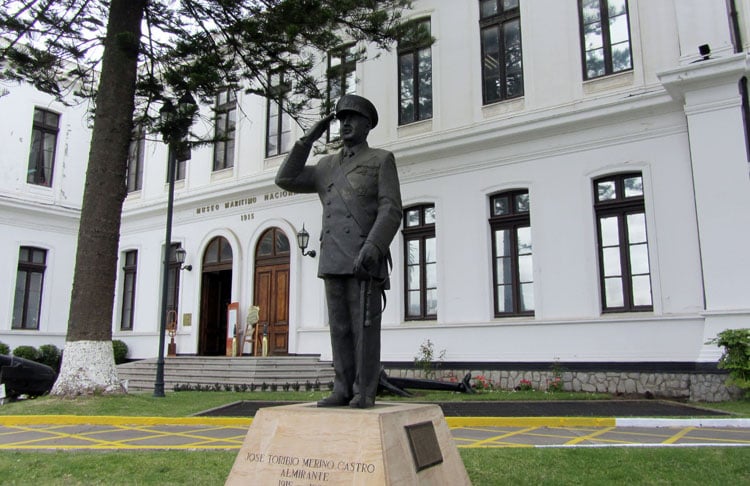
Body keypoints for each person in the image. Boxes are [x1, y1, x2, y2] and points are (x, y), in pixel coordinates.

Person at [275, 95, 402, 408]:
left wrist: (374, 245)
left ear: (366, 125)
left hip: (363, 258)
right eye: (341, 118)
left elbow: (391, 209)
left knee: (364, 329)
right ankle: (342, 387)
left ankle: (364, 390)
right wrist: (308, 139)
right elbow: (285, 178)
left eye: (352, 118)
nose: (345, 123)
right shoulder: (325, 166)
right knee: (340, 328)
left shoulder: (380, 160)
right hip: (333, 257)